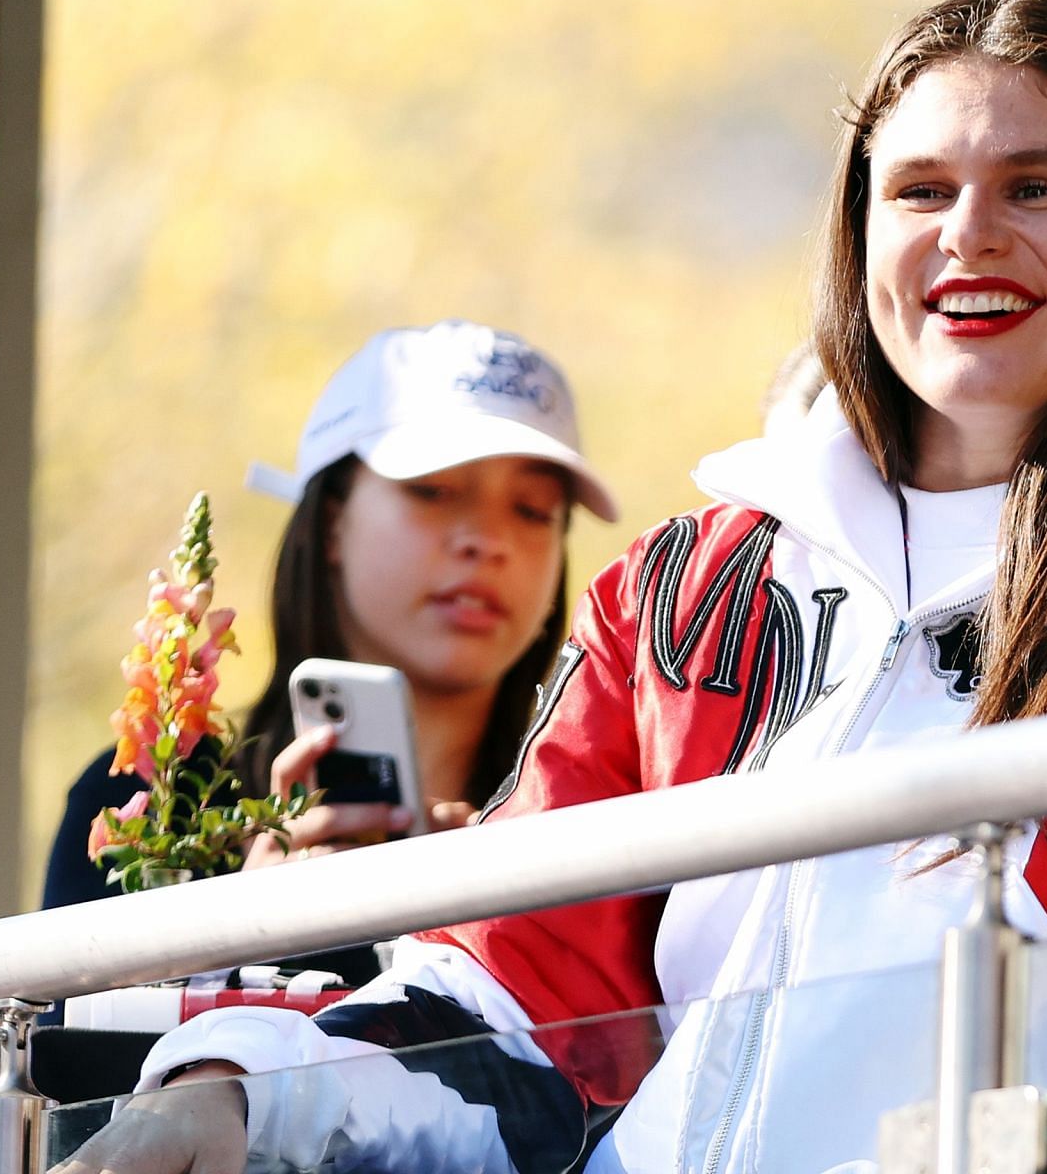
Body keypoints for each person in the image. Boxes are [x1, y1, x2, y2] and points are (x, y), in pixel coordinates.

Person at [56, 0, 1047, 1173]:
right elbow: (511, 1002)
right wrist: (237, 1095)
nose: (968, 236)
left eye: (1037, 187)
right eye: (919, 191)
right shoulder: (685, 587)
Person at [39, 319, 620, 972]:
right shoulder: (152, 805)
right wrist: (241, 947)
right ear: (331, 521)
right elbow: (72, 1060)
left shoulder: (602, 827)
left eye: (534, 510)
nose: (488, 540)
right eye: (433, 490)